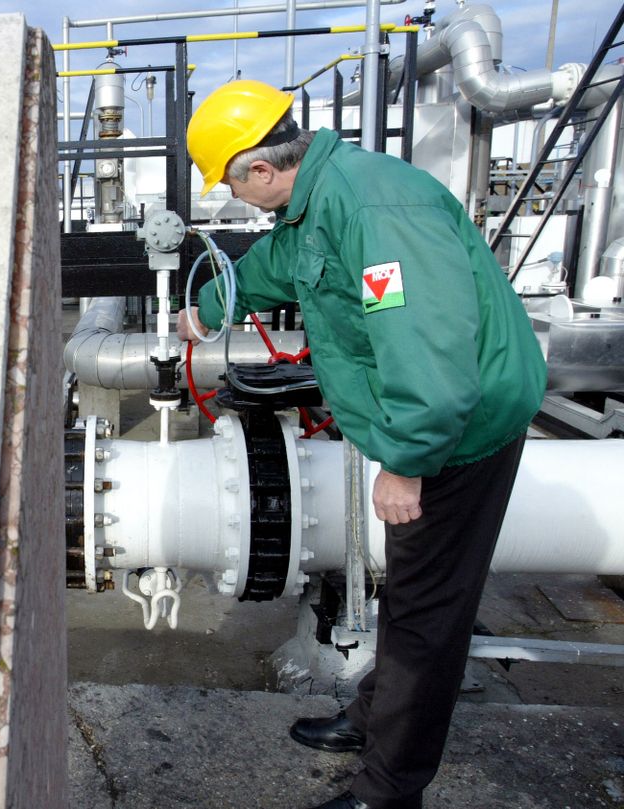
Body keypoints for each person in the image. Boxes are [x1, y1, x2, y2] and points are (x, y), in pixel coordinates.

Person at [176, 80, 546, 809]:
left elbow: (428, 348)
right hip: (429, 424)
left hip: (458, 433)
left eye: (229, 182)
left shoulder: (373, 207)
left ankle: (388, 788)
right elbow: (272, 269)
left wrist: (406, 463)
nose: (234, 198)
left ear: (259, 169)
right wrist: (207, 308)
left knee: (425, 616)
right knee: (409, 593)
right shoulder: (317, 205)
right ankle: (373, 719)